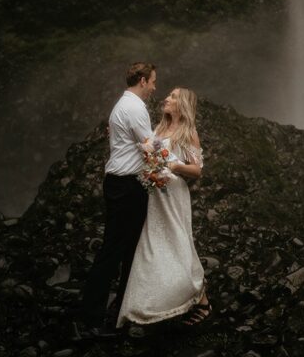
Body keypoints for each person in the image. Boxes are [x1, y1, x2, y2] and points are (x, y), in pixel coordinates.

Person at [74, 62, 157, 341]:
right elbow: (150, 147)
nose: (155, 87)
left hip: (123, 184)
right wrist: (183, 163)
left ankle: (116, 313)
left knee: (127, 251)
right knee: (114, 252)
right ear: (143, 81)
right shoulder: (135, 108)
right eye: (153, 81)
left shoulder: (124, 104)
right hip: (126, 186)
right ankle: (91, 319)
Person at [117, 86, 210, 328]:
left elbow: (197, 170)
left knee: (178, 240)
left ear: (182, 104)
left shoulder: (189, 132)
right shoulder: (158, 128)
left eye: (173, 97)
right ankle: (148, 304)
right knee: (153, 243)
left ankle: (199, 296)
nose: (166, 99)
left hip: (174, 194)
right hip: (155, 194)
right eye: (168, 95)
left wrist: (173, 164)